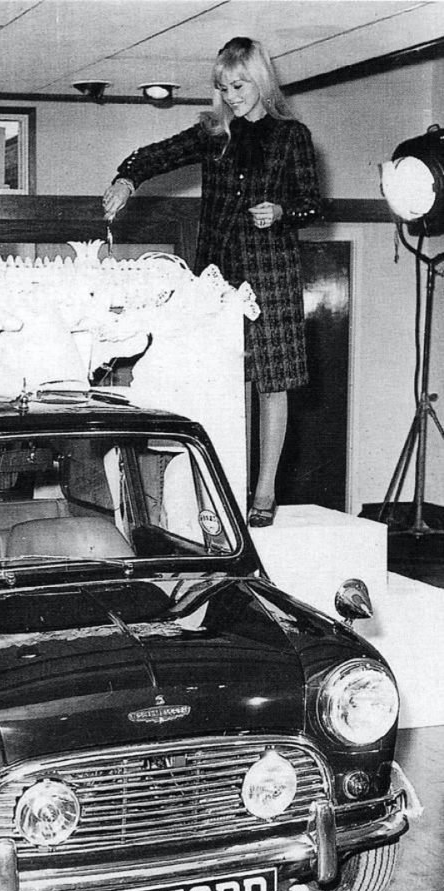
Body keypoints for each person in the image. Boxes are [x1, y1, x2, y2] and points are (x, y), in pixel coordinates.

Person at [103, 36, 321, 527]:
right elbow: (158, 154)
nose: (232, 95)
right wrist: (127, 179)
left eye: (240, 85)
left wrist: (283, 211)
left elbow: (314, 202)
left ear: (260, 80)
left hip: (272, 270)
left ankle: (264, 491)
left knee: (274, 381)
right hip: (218, 272)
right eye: (223, 87)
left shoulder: (292, 136)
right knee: (218, 380)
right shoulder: (213, 132)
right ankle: (220, 489)